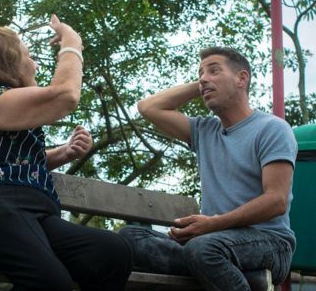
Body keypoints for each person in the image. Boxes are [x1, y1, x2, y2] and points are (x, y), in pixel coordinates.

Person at [0, 15, 133, 290]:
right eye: (29, 56)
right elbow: (64, 95)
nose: (35, 64)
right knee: (51, 284)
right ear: (8, 64)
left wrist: (62, 154)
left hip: (28, 212)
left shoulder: (7, 110)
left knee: (111, 253)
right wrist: (72, 43)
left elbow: (4, 161)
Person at [119, 47, 297, 290]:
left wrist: (213, 224)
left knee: (204, 249)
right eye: (200, 74)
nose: (203, 78)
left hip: (269, 243)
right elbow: (148, 107)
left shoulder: (272, 129)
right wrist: (205, 83)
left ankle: (211, 264)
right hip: (210, 241)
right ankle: (225, 271)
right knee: (131, 238)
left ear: (242, 79)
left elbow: (276, 200)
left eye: (214, 71)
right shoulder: (204, 131)